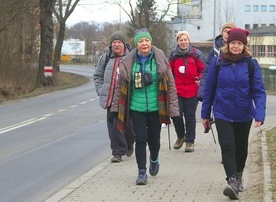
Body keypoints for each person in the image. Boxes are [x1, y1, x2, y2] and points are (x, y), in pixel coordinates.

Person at [201, 28, 266, 200]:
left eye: (239, 43)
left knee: (241, 148)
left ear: (243, 46)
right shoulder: (218, 63)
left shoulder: (251, 64)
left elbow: (259, 91)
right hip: (222, 112)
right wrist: (205, 114)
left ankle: (238, 173)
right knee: (227, 146)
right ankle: (232, 181)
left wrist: (260, 114)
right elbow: (209, 90)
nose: (235, 46)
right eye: (233, 43)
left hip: (244, 114)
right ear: (227, 44)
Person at [110, 28, 179, 185]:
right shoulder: (128, 62)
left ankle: (154, 159)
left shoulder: (160, 60)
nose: (144, 43)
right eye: (140, 41)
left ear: (151, 42)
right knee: (140, 139)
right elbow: (119, 88)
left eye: (146, 40)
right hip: (136, 108)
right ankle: (141, 172)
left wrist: (174, 110)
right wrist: (115, 109)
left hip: (156, 107)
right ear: (136, 44)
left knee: (154, 140)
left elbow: (172, 86)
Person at [94, 31, 135, 163]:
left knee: (128, 125)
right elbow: (97, 76)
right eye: (114, 42)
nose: (116, 45)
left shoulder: (132, 58)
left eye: (119, 42)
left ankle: (129, 143)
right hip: (111, 98)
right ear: (111, 45)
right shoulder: (105, 58)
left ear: (124, 44)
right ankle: (117, 152)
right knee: (113, 125)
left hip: (127, 97)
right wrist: (101, 91)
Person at [168, 31, 206, 152]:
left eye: (185, 40)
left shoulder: (196, 54)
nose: (183, 42)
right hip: (177, 90)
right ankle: (181, 136)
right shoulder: (173, 55)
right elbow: (168, 70)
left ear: (188, 41)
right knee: (176, 115)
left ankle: (190, 141)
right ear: (177, 42)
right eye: (181, 40)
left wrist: (199, 79)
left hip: (192, 90)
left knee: (189, 116)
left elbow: (204, 69)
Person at [198, 22, 236, 101]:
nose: (227, 34)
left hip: (235, 92)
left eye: (230, 31)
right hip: (217, 92)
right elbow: (206, 72)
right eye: (225, 31)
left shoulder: (239, 51)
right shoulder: (215, 51)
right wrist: (202, 93)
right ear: (222, 33)